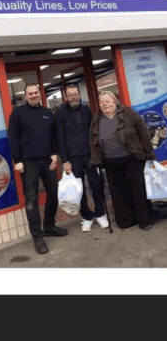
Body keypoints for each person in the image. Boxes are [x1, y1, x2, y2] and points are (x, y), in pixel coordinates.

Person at [8, 83, 68, 255]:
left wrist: (55, 154)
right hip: (28, 164)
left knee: (53, 193)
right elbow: (13, 138)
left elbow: (54, 136)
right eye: (30, 93)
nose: (33, 95)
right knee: (32, 200)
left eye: (36, 92)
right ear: (25, 96)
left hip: (48, 160)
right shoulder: (18, 114)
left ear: (40, 94)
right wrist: (17, 160)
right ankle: (37, 236)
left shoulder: (48, 113)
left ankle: (49, 226)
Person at [89, 90, 156, 231]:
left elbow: (143, 132)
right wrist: (96, 158)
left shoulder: (128, 113)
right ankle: (126, 220)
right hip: (110, 162)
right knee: (119, 193)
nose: (105, 104)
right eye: (102, 102)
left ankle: (144, 220)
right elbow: (92, 139)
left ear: (114, 101)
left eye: (107, 101)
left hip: (132, 159)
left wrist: (149, 153)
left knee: (138, 190)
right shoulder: (97, 118)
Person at [55, 85, 109, 232]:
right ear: (66, 97)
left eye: (75, 94)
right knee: (79, 189)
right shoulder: (60, 113)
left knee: (95, 185)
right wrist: (65, 160)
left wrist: (96, 152)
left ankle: (101, 214)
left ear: (79, 95)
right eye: (70, 95)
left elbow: (92, 132)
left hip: (89, 155)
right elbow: (60, 138)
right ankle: (86, 217)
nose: (73, 97)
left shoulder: (86, 110)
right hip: (72, 158)